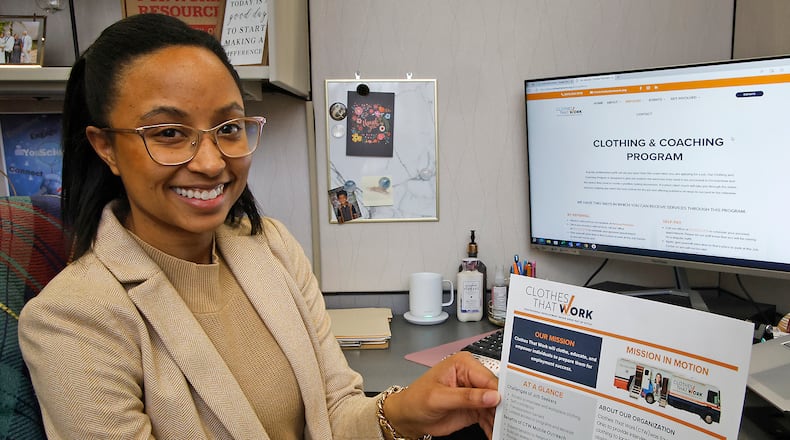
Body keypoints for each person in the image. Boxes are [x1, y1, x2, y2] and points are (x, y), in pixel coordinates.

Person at [18, 13, 500, 440]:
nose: (211, 163)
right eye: (168, 133)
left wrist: (406, 413)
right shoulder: (72, 319)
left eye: (228, 128)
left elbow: (333, 414)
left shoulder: (270, 246)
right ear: (105, 148)